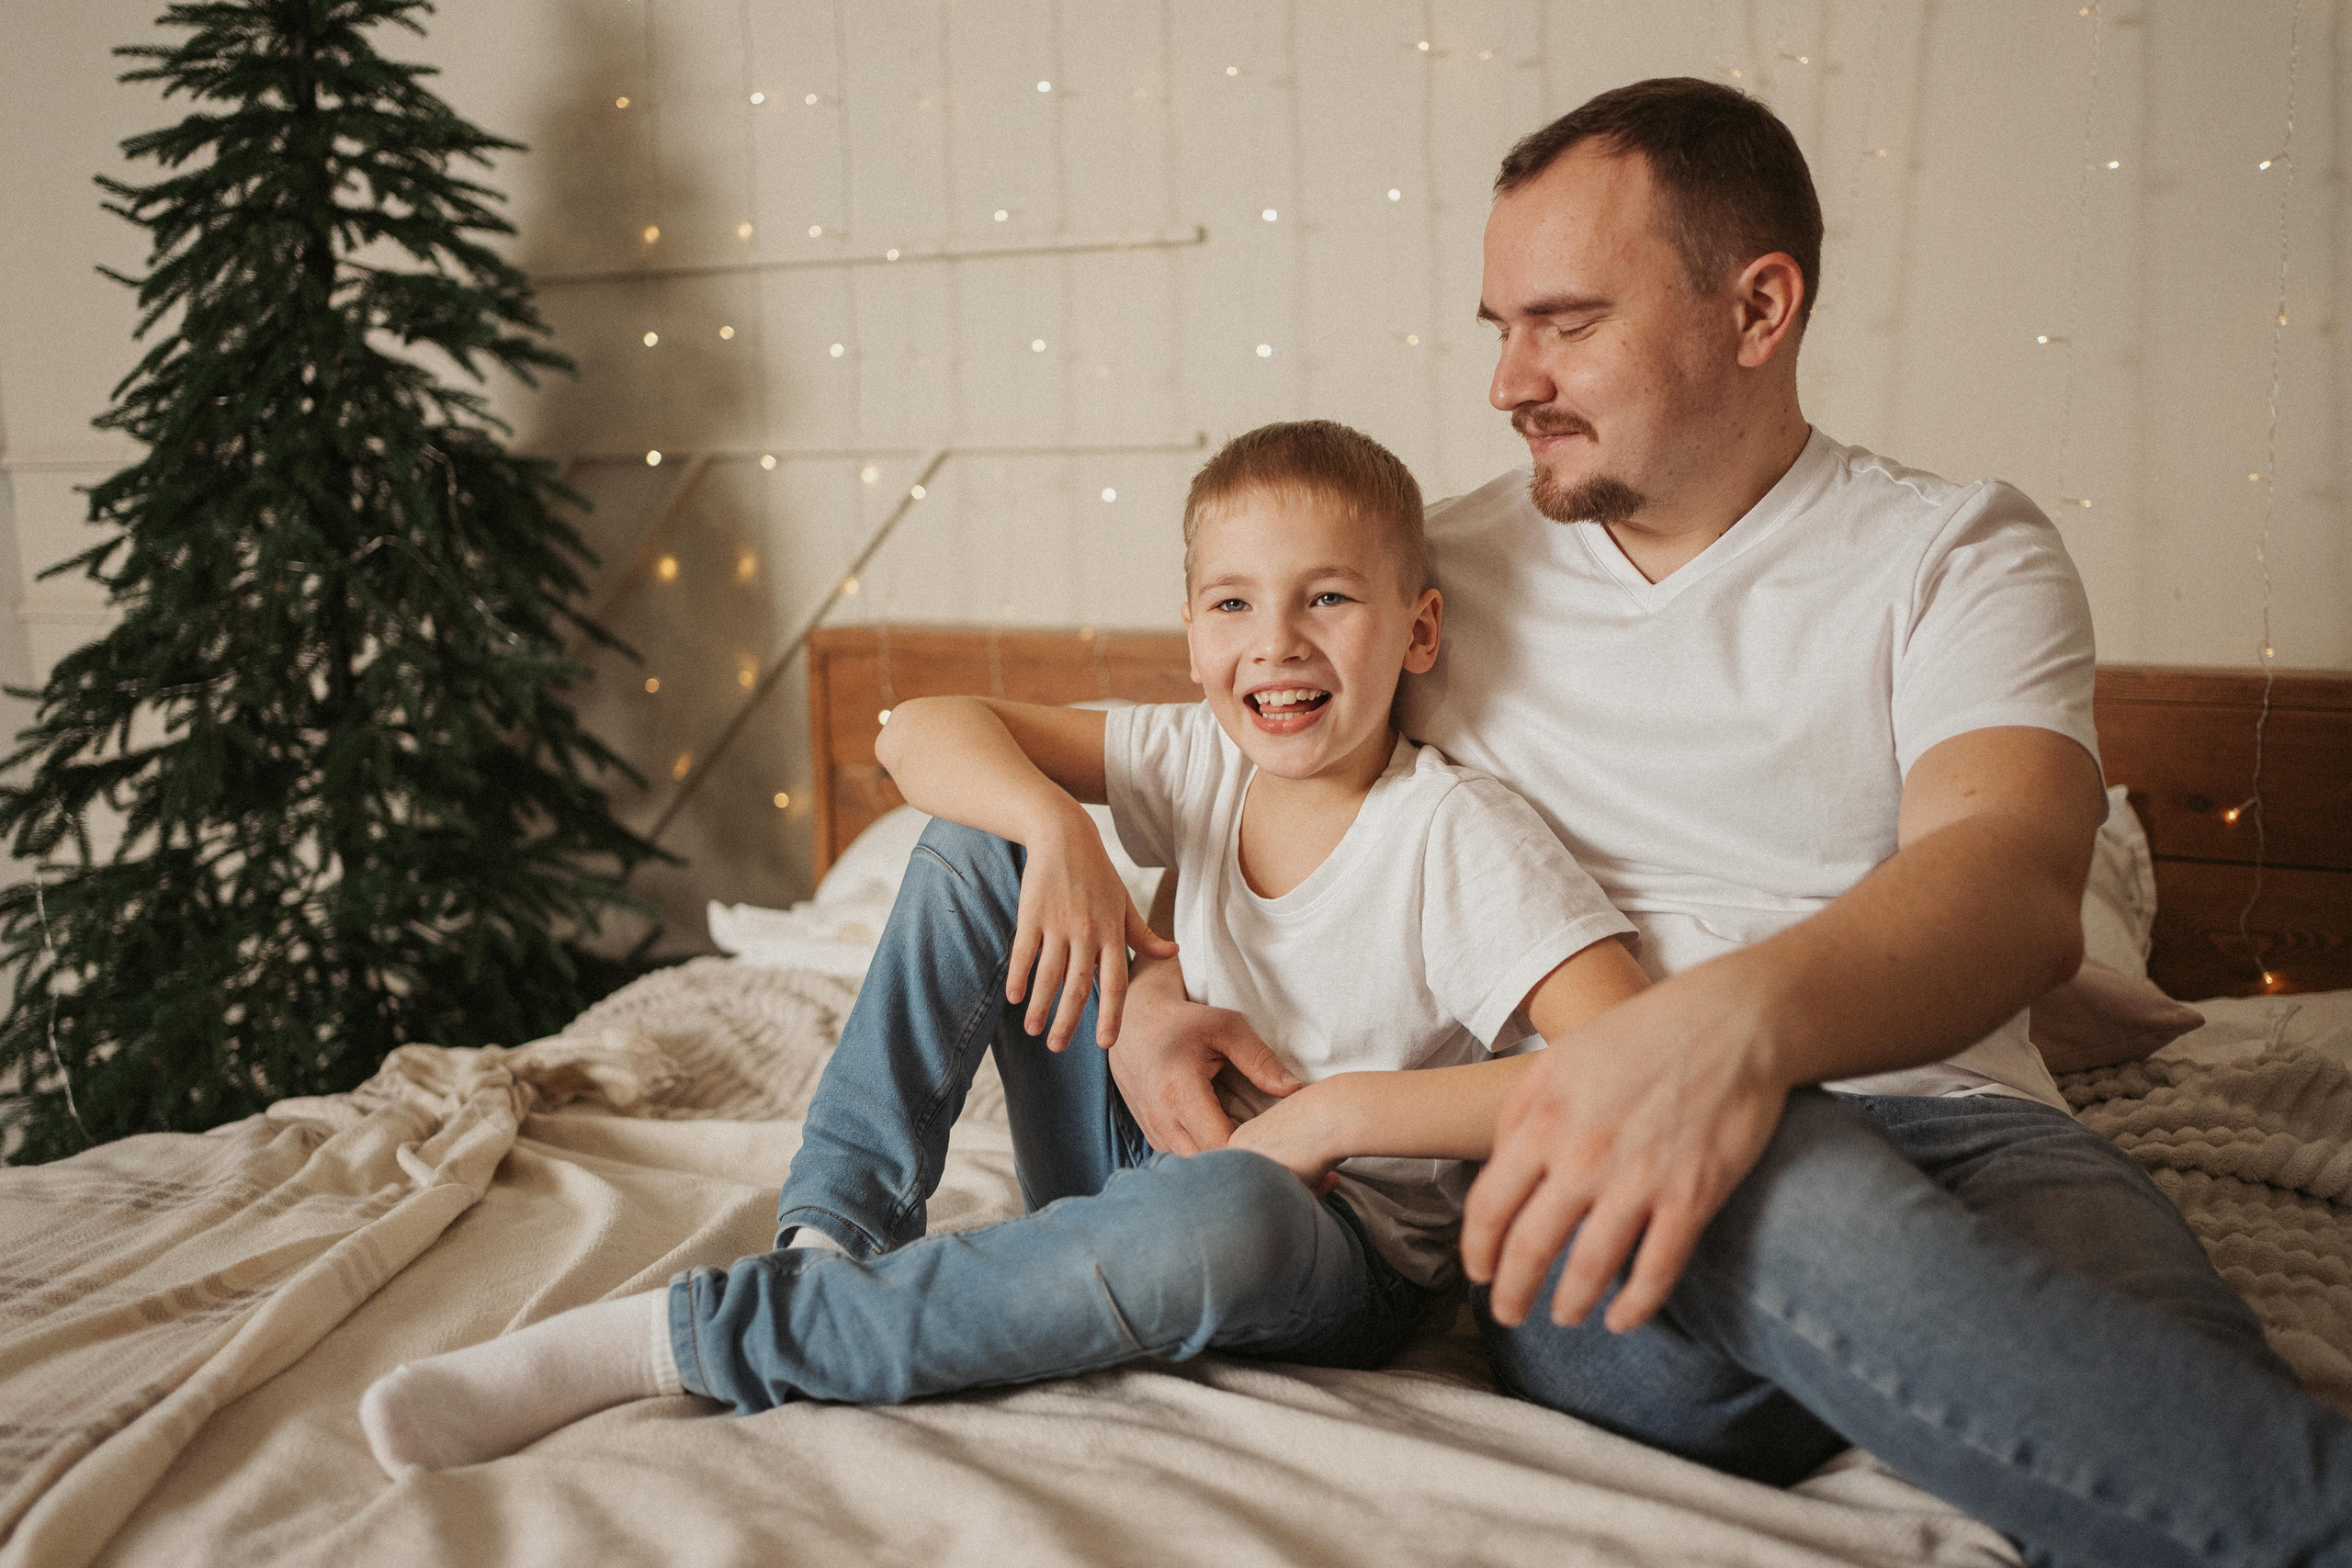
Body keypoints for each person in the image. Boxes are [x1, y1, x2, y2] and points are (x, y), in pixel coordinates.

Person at [1102, 81, 2352, 1566]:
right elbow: (1258, 795)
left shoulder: (1956, 551)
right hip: (1609, 1181)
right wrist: (1153, 992)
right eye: (1497, 325)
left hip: (1978, 1132)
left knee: (2184, 1397)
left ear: (1759, 310)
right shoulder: (1420, 581)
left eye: (1563, 323)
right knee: (1777, 1173)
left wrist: (1728, 1027)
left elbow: (2010, 881)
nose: (1508, 380)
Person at [355, 420, 1649, 1474]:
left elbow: (1627, 1063)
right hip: (1122, 1155)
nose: (1279, 645)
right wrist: (1054, 823)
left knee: (1233, 1213)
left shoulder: (1453, 834)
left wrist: (1338, 1118)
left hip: (1312, 1239)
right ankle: (834, 1247)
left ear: (1417, 632)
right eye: (1234, 604)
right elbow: (919, 727)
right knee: (979, 843)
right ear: (1193, 633)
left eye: (1329, 599)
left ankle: (689, 1341)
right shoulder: (1192, 755)